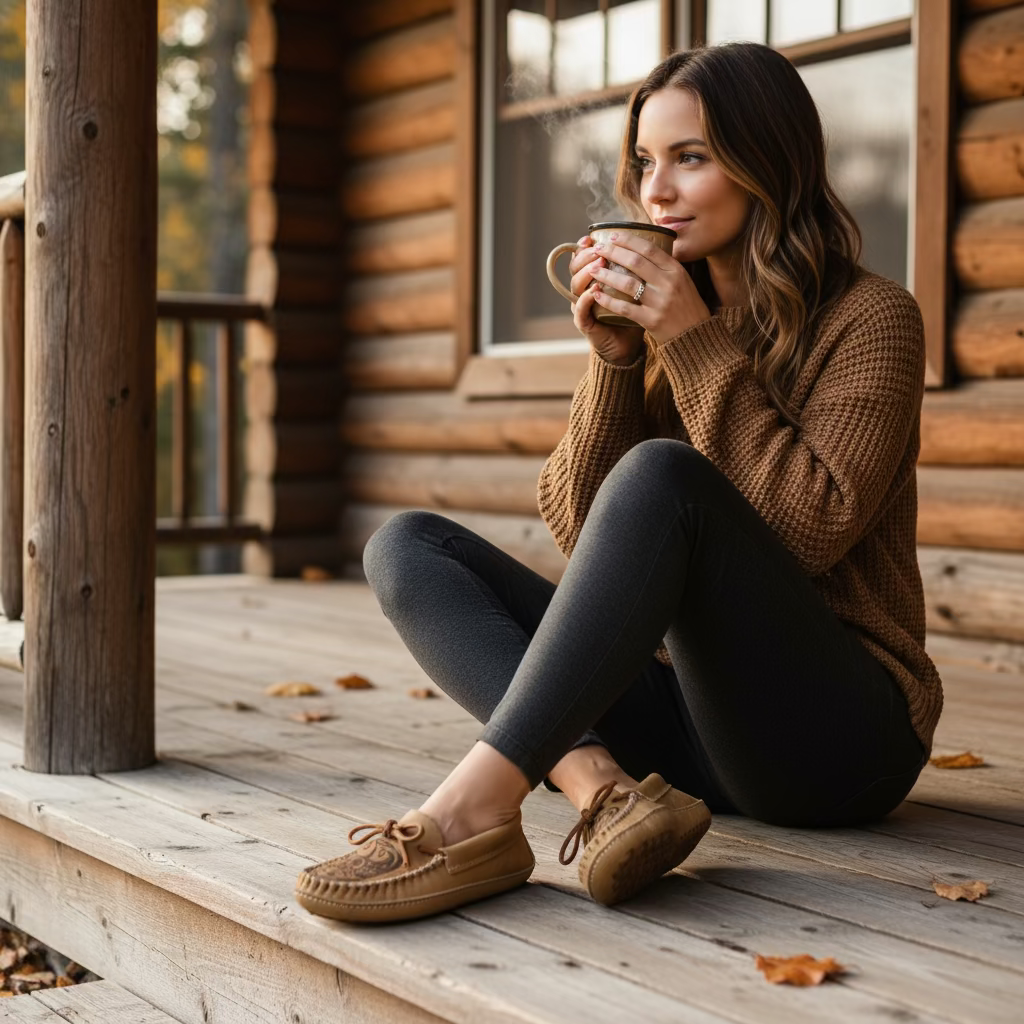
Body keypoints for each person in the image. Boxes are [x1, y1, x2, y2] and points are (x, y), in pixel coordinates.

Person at [295, 42, 942, 924]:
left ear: (768, 164)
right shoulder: (673, 320)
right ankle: (601, 788)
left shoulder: (874, 317)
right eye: (643, 162)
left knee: (663, 473)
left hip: (835, 741)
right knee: (408, 546)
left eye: (691, 158)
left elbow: (809, 528)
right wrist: (613, 360)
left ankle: (472, 811)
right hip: (687, 731)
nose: (655, 192)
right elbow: (580, 526)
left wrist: (690, 342)